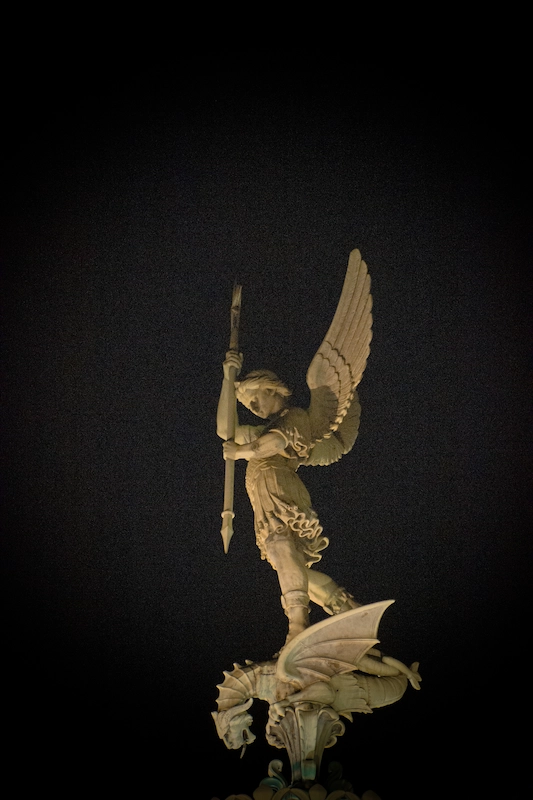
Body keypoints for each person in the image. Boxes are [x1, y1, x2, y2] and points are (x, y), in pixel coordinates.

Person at [218, 351, 361, 647]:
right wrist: (227, 381)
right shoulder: (261, 429)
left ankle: (297, 626)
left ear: (271, 389)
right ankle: (344, 607)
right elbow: (225, 430)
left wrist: (242, 452)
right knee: (289, 563)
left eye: (254, 399)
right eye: (247, 405)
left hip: (277, 485)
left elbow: (276, 443)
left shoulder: (295, 417)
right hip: (262, 493)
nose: (253, 408)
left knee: (283, 550)